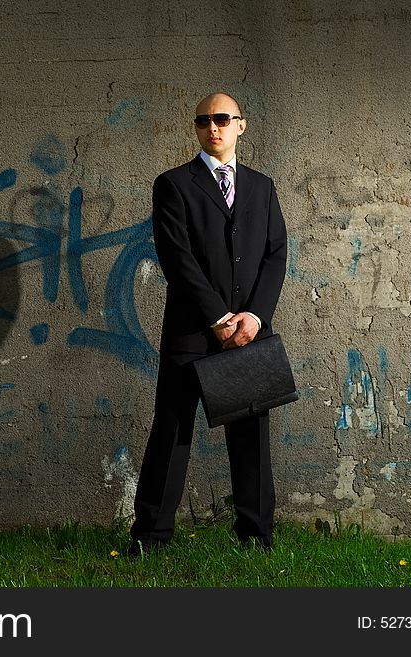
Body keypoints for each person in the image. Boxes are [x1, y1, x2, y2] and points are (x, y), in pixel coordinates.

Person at [129, 92, 288, 555]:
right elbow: (176, 258)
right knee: (172, 432)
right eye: (203, 121)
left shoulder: (262, 187)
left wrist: (254, 316)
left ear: (242, 124)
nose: (212, 127)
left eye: (221, 119)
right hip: (192, 331)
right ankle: (150, 538)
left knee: (251, 437)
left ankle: (256, 538)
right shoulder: (174, 184)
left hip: (249, 333)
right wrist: (218, 317)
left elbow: (275, 254)